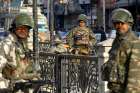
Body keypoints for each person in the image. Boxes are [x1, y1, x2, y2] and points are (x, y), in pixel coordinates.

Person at [101, 8, 140, 93]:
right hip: (115, 89)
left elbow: (135, 73)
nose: (118, 26)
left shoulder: (133, 42)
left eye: (122, 23)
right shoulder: (118, 40)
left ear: (129, 23)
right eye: (116, 23)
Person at [0, 13, 40, 87]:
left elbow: (26, 66)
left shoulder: (22, 43)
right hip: (10, 84)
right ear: (14, 29)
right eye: (20, 28)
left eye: (25, 29)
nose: (23, 31)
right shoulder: (7, 44)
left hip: (22, 83)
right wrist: (3, 86)